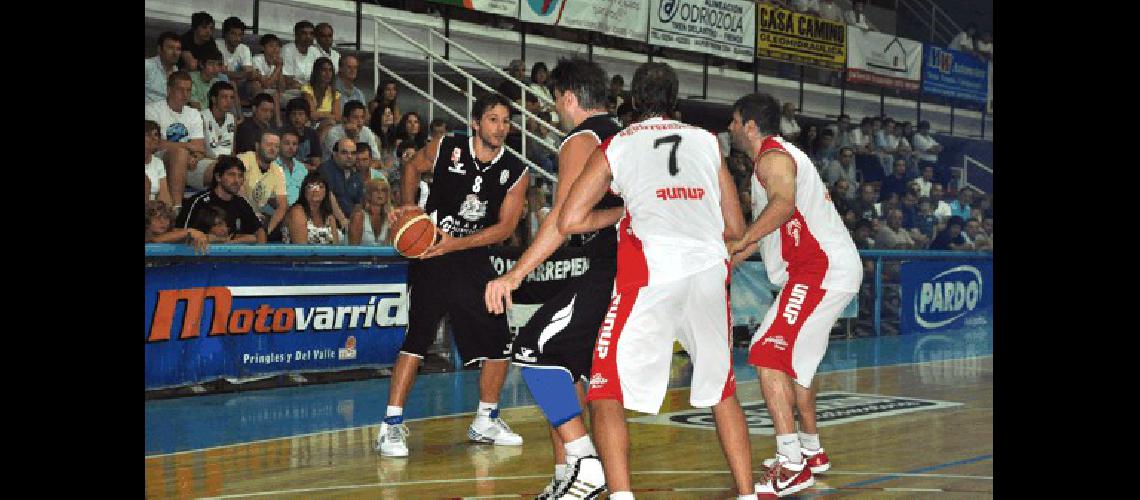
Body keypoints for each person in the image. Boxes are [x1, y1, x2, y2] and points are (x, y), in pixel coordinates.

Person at [557, 62, 754, 500]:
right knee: (722, 390)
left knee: (605, 387)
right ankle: (747, 493)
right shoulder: (707, 142)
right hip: (707, 272)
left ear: (632, 100)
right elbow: (737, 227)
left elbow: (570, 220)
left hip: (651, 273)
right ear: (675, 99)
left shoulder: (619, 144)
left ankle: (623, 496)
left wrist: (624, 212)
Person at [484, 58, 621, 499]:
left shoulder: (582, 139)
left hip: (606, 265)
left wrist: (515, 275)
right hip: (628, 266)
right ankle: (568, 474)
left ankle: (584, 461)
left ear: (567, 97)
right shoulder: (624, 135)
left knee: (532, 352)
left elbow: (563, 220)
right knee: (566, 371)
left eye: (555, 102)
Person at [375, 93, 530, 460]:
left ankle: (486, 419)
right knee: (418, 337)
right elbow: (412, 167)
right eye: (493, 119)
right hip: (431, 251)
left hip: (472, 255)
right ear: (476, 122)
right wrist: (409, 207)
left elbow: (506, 227)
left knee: (499, 342)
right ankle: (390, 427)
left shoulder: (516, 170)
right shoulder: (449, 146)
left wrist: (457, 243)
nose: (501, 127)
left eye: (506, 121)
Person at [725, 92, 863, 497]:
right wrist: (730, 259)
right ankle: (810, 450)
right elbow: (767, 228)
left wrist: (740, 242)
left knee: (767, 352)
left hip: (819, 270)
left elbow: (782, 206)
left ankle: (791, 464)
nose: (730, 128)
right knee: (794, 365)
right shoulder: (769, 161)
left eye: (734, 121)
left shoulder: (773, 158)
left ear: (750, 125)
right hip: (822, 270)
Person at [145, 71, 206, 210]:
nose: (185, 94)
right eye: (180, 89)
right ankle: (177, 208)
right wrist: (186, 146)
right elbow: (155, 143)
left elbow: (200, 147)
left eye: (188, 90)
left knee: (222, 168)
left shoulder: (194, 113)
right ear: (169, 90)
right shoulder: (152, 110)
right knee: (180, 154)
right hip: (159, 159)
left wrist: (195, 156)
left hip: (191, 161)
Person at [176, 155, 267, 243]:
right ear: (218, 177)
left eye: (240, 176)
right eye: (231, 175)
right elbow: (179, 233)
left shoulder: (241, 203)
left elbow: (259, 231)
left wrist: (261, 251)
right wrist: (212, 239)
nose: (237, 180)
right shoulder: (198, 202)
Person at [237, 130, 289, 239]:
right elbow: (238, 193)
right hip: (236, 214)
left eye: (276, 146)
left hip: (257, 219)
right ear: (257, 145)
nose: (273, 149)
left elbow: (282, 205)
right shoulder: (243, 160)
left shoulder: (278, 170)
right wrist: (253, 218)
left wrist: (268, 231)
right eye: (269, 144)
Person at [284, 171, 340, 244]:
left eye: (320, 186)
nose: (316, 190)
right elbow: (301, 249)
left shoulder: (329, 217)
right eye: (310, 187)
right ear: (304, 191)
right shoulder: (297, 212)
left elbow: (336, 248)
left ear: (326, 192)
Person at [146, 200, 210, 253]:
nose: (163, 222)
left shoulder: (173, 232)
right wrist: (188, 231)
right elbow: (154, 240)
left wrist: (201, 236)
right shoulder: (148, 235)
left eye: (166, 218)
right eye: (157, 218)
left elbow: (201, 236)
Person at [348, 178, 393, 245]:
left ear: (387, 196)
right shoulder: (359, 217)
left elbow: (388, 246)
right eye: (375, 190)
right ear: (368, 194)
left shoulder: (390, 217)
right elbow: (352, 249)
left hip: (382, 255)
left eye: (383, 190)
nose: (379, 193)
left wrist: (390, 228)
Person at [215, 17, 255, 92]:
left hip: (240, 83)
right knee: (229, 81)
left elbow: (249, 73)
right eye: (233, 34)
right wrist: (242, 74)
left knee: (255, 84)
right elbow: (219, 72)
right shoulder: (216, 45)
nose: (237, 38)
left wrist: (231, 74)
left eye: (240, 35)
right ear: (225, 34)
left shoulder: (244, 48)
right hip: (220, 82)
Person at [284, 97, 323, 170]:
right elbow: (283, 161)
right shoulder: (283, 134)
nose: (297, 118)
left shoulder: (312, 134)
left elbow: (316, 160)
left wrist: (315, 166)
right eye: (293, 114)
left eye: (300, 114)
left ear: (307, 117)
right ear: (288, 116)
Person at [187, 45, 230, 111]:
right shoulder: (190, 79)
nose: (215, 68)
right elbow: (195, 107)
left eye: (218, 64)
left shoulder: (217, 81)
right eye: (211, 64)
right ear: (201, 64)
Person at [302, 57, 341, 126]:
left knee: (330, 123)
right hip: (311, 125)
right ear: (317, 72)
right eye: (324, 70)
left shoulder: (335, 93)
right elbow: (312, 115)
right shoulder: (307, 89)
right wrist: (329, 114)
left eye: (330, 70)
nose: (327, 73)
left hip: (329, 126)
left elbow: (337, 117)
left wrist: (320, 114)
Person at [146, 32, 182, 104]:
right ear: (159, 49)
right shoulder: (147, 66)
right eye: (170, 48)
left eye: (178, 49)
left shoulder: (178, 73)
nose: (175, 53)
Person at [277, 129, 310, 207]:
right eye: (287, 143)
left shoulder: (302, 168)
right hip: (274, 213)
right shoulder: (271, 165)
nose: (291, 147)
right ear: (279, 144)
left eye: (294, 144)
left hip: (299, 212)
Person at [282, 21, 320, 87]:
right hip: (292, 90)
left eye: (311, 34)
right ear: (296, 35)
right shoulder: (288, 50)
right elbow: (287, 79)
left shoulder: (315, 51)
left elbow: (320, 77)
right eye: (304, 33)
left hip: (311, 90)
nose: (308, 36)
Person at [145, 120, 173, 206]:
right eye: (148, 135)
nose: (154, 138)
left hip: (154, 210)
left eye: (156, 134)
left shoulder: (158, 163)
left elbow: (165, 196)